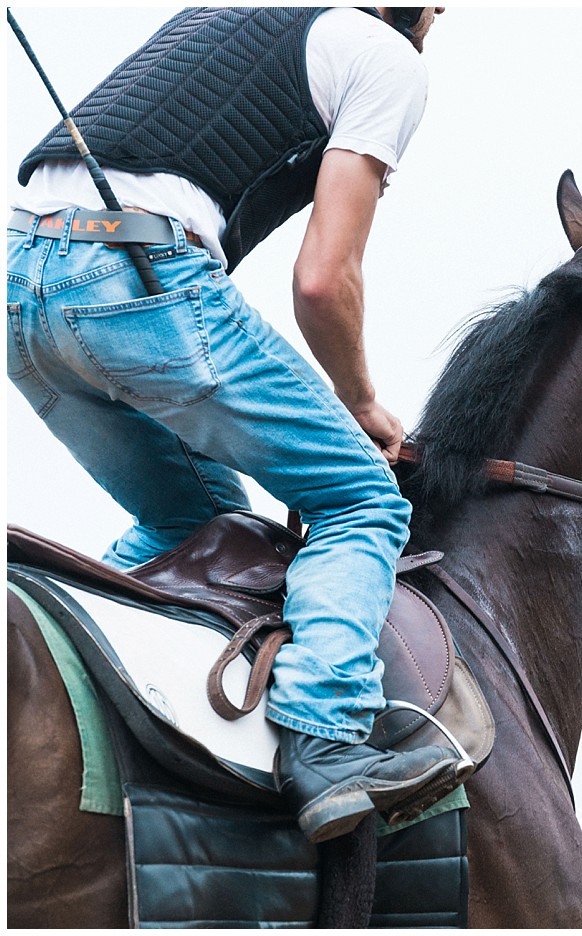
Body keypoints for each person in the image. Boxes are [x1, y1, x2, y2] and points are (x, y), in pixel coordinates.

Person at [6, 6, 461, 844]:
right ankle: (325, 740)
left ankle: (69, 697)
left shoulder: (214, 17)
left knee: (196, 523)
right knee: (360, 499)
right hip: (133, 278)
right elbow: (324, 282)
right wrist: (360, 404)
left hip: (23, 283)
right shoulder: (387, 59)